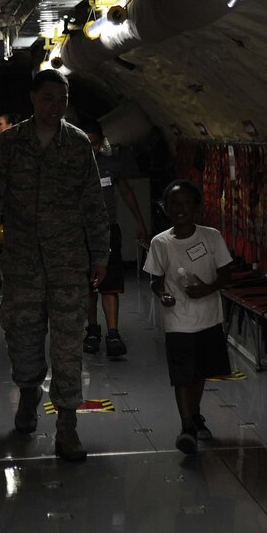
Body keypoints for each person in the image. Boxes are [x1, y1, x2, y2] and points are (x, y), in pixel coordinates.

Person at [0, 69, 109, 462]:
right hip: (22, 263)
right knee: (24, 336)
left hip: (68, 263)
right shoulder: (11, 144)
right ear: (32, 99)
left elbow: (93, 204)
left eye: (62, 99)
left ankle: (67, 426)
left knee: (68, 344)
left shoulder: (78, 144)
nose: (55, 106)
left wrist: (101, 254)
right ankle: (28, 395)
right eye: (48, 98)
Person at [143, 180, 233, 455]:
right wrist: (163, 295)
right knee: (183, 373)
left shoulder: (211, 237)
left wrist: (208, 288)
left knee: (199, 372)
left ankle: (194, 414)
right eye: (174, 204)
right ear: (166, 208)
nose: (180, 209)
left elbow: (226, 273)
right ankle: (187, 427)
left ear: (196, 208)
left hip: (207, 316)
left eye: (186, 204)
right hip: (178, 319)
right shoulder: (161, 242)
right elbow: (155, 279)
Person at [80, 119, 149, 359]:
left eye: (96, 144)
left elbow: (127, 193)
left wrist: (140, 221)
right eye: (87, 144)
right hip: (81, 233)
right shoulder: (70, 167)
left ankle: (112, 332)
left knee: (110, 285)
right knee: (89, 286)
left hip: (108, 231)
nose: (92, 149)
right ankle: (92, 329)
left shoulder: (111, 166)